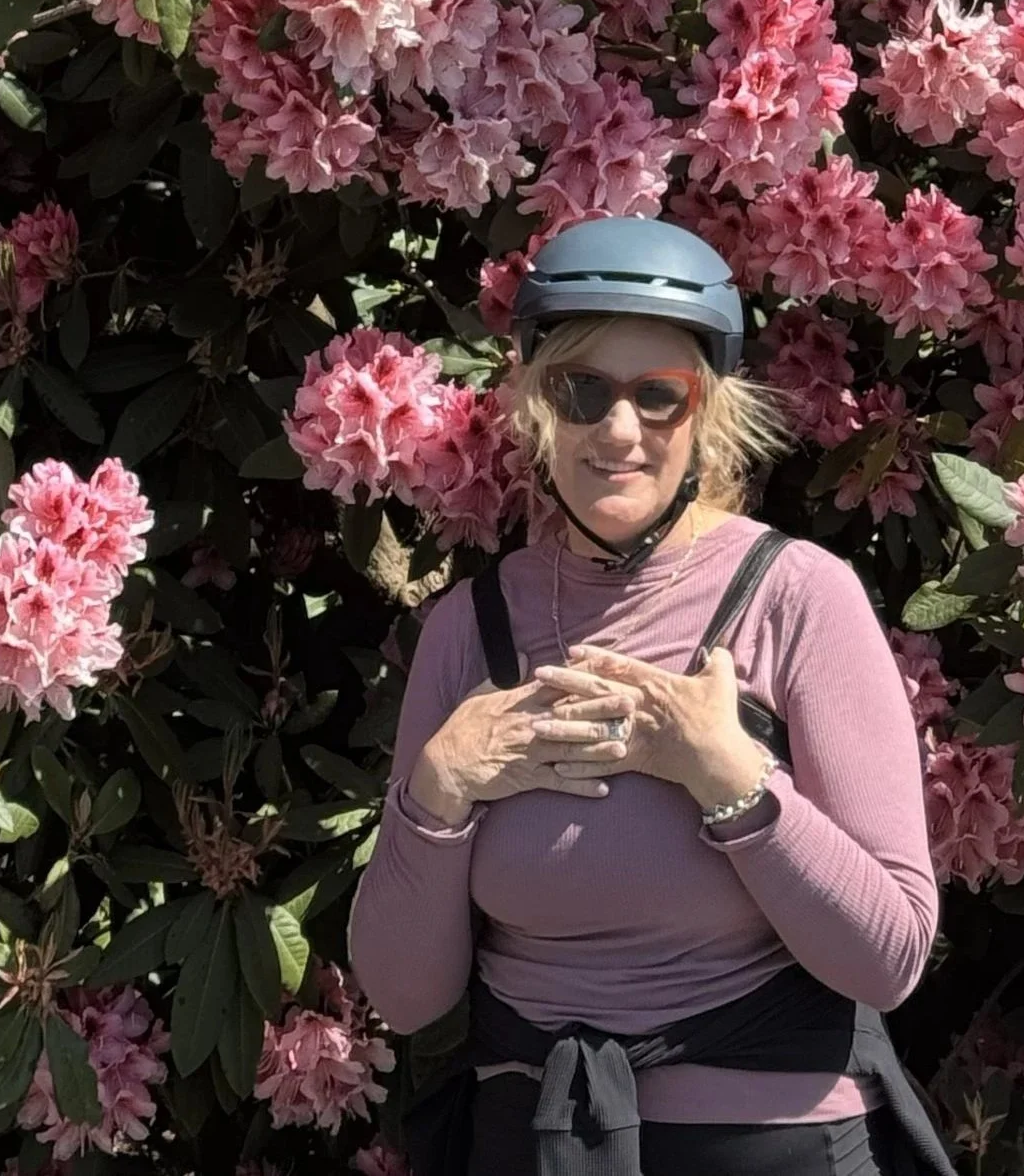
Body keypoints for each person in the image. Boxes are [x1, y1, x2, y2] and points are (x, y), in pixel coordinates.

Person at [347, 216, 949, 1176]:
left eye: (658, 396)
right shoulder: (471, 629)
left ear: (706, 412)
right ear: (540, 406)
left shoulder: (797, 598)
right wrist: (440, 788)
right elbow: (406, 997)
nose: (618, 431)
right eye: (583, 392)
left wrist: (730, 782)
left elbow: (890, 958)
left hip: (773, 1146)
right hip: (536, 1143)